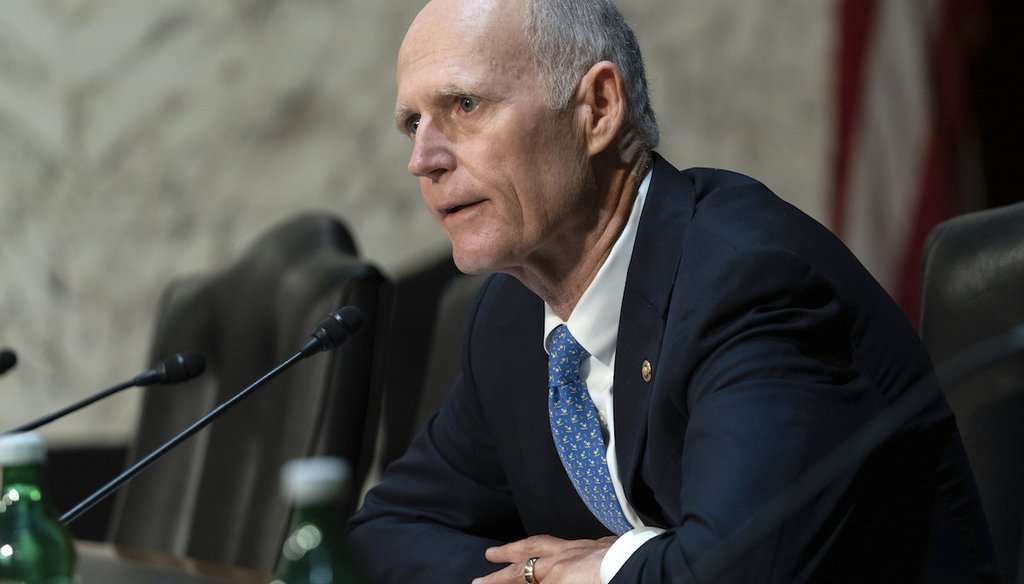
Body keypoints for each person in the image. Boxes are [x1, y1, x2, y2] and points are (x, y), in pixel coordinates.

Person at [348, 0, 998, 582]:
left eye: (464, 106)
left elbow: (732, 569)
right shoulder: (512, 317)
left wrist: (604, 568)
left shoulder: (748, 282)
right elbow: (386, 534)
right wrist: (539, 578)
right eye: (412, 123)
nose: (423, 159)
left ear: (597, 108)